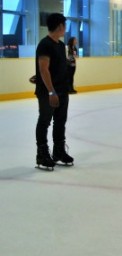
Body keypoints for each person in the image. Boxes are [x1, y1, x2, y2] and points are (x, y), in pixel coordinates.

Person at [34, 13, 74, 170]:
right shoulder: (45, 44)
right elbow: (43, 69)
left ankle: (58, 151)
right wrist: (51, 92)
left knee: (60, 121)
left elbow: (53, 67)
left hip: (62, 90)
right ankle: (42, 153)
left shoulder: (59, 45)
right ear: (60, 26)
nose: (65, 28)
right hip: (49, 92)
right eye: (64, 25)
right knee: (44, 121)